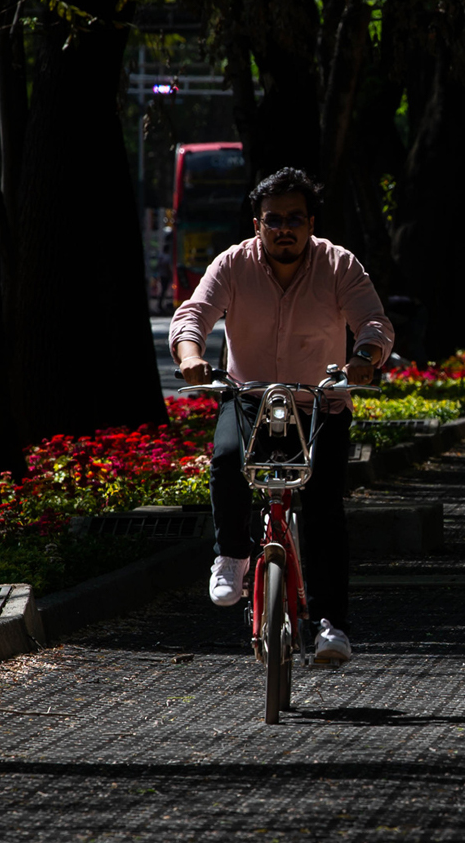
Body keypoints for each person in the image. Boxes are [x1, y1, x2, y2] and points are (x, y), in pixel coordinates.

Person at [169, 168, 394, 667]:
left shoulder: (339, 265)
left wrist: (366, 356)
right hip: (249, 399)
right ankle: (232, 555)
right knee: (227, 460)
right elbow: (193, 315)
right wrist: (190, 355)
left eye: (295, 218)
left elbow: (374, 321)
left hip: (320, 403)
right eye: (274, 220)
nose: (284, 228)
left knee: (323, 511)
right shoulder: (233, 264)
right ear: (258, 225)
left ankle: (332, 625)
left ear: (311, 223)